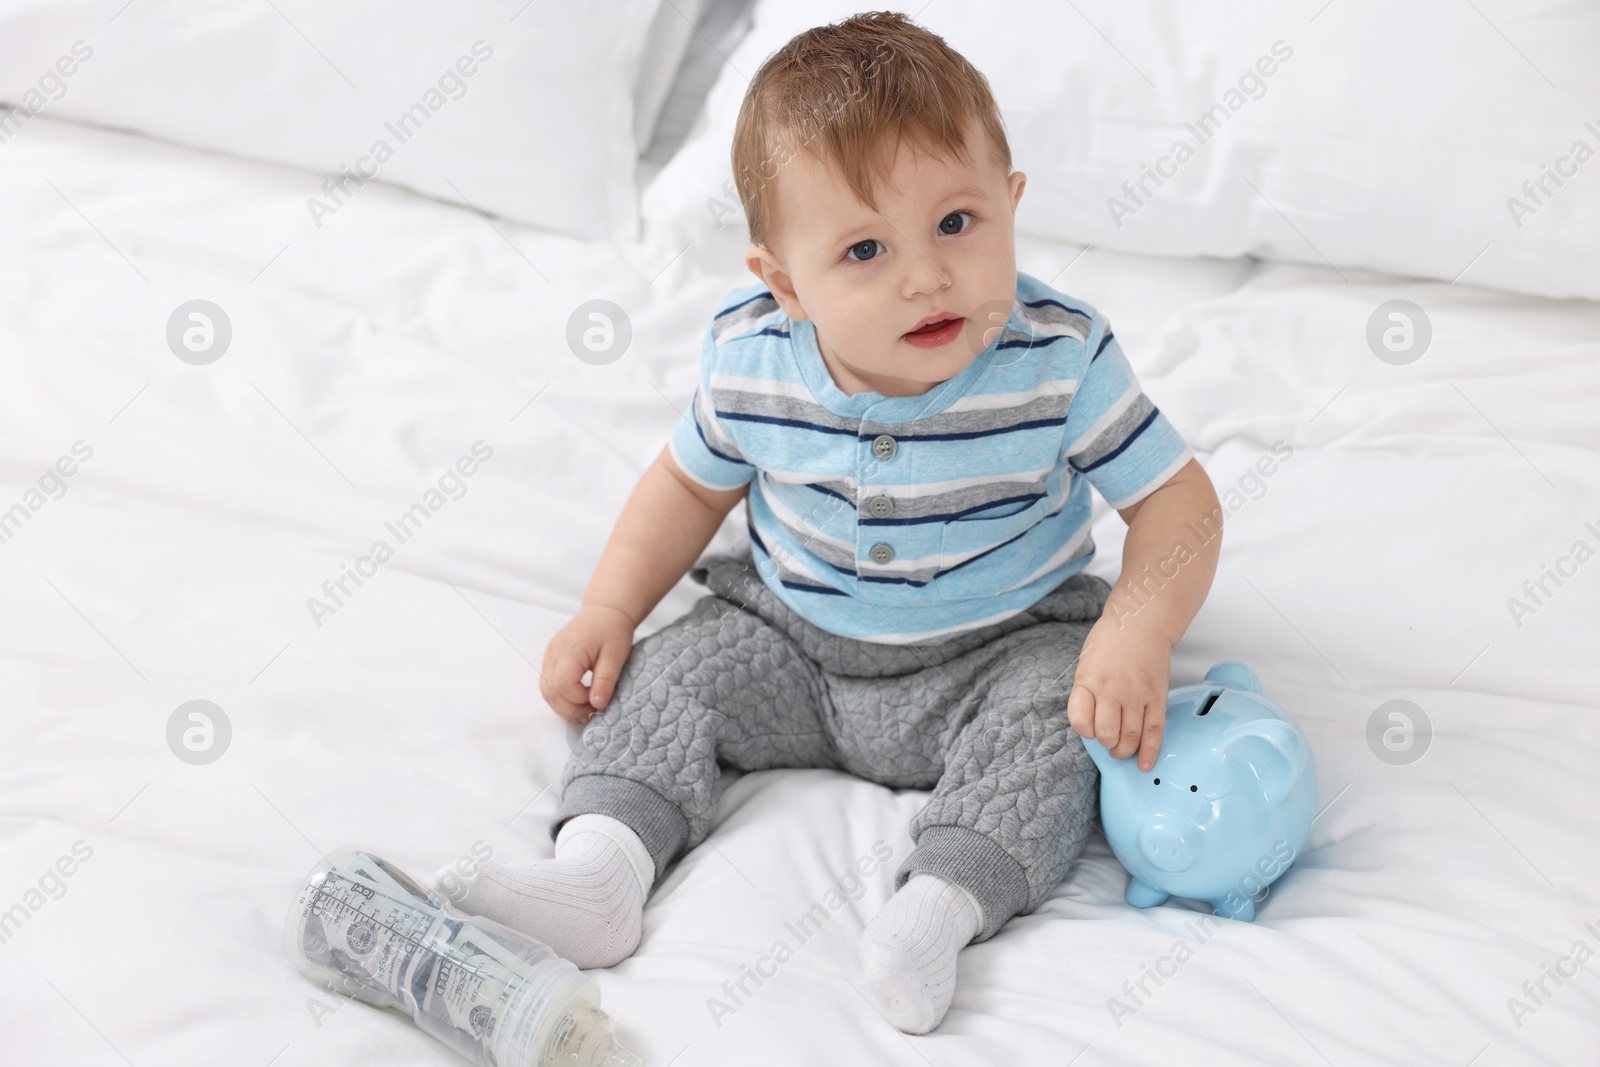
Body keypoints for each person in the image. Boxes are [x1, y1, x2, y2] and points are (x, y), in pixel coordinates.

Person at [437, 11, 1222, 1035]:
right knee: (666, 678)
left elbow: (1178, 499)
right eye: (863, 248)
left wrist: (1136, 629)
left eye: (957, 223)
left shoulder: (1059, 357)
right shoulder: (753, 362)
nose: (925, 274)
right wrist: (608, 605)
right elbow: (684, 486)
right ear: (785, 283)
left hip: (1001, 645)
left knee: (1060, 728)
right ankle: (601, 871)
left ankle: (938, 909)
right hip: (793, 641)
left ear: (1012, 204)